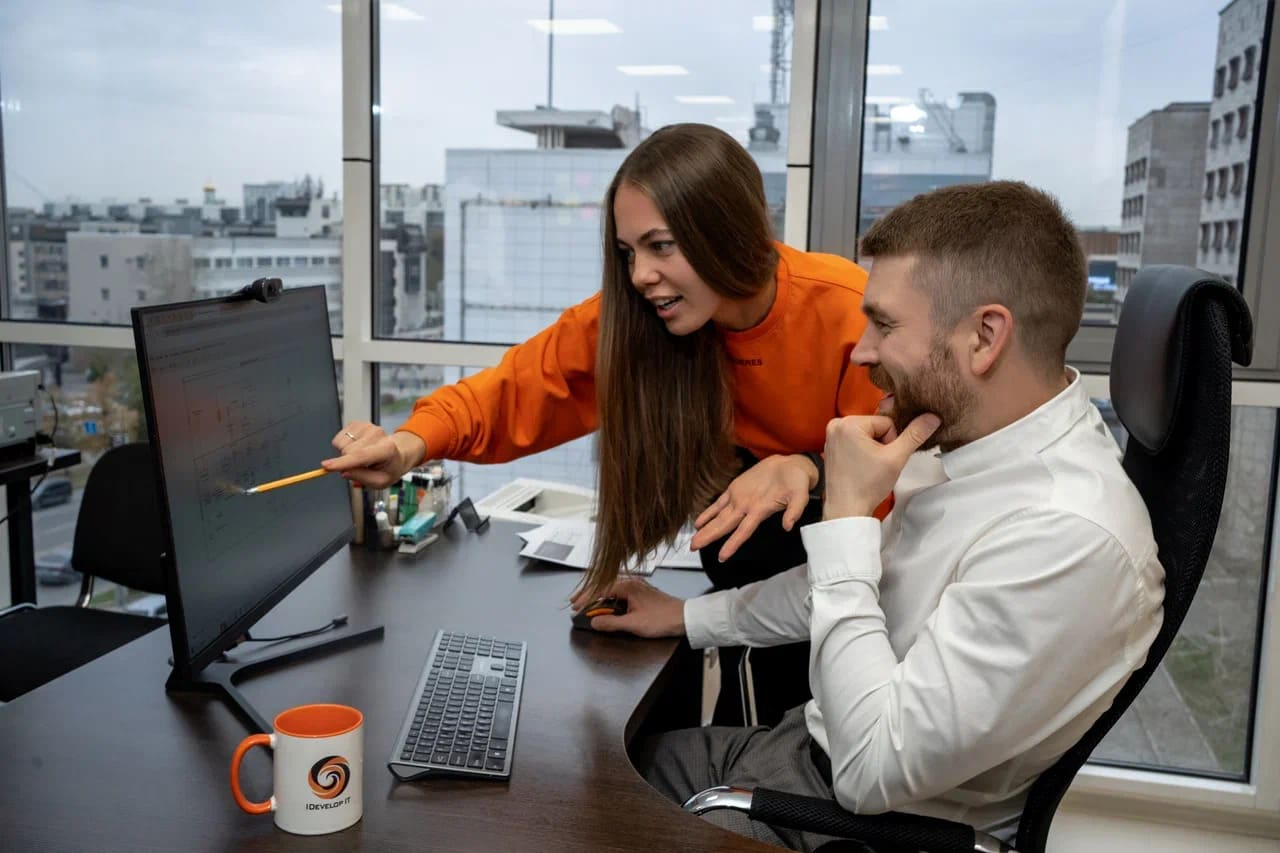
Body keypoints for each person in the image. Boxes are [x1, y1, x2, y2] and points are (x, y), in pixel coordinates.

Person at [571, 180, 1165, 852]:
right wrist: (684, 618)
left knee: (580, 824)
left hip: (858, 824)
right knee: (584, 774)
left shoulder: (1067, 536)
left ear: (984, 337)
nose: (860, 352)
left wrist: (847, 516)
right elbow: (857, 590)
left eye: (884, 325)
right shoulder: (967, 442)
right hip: (804, 747)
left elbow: (868, 771)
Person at [323, 123, 884, 599]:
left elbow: (891, 486)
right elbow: (513, 391)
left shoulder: (847, 310)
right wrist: (407, 446)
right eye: (627, 252)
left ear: (728, 232)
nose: (639, 275)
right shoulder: (640, 315)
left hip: (843, 592)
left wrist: (809, 467)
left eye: (661, 246)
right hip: (739, 597)